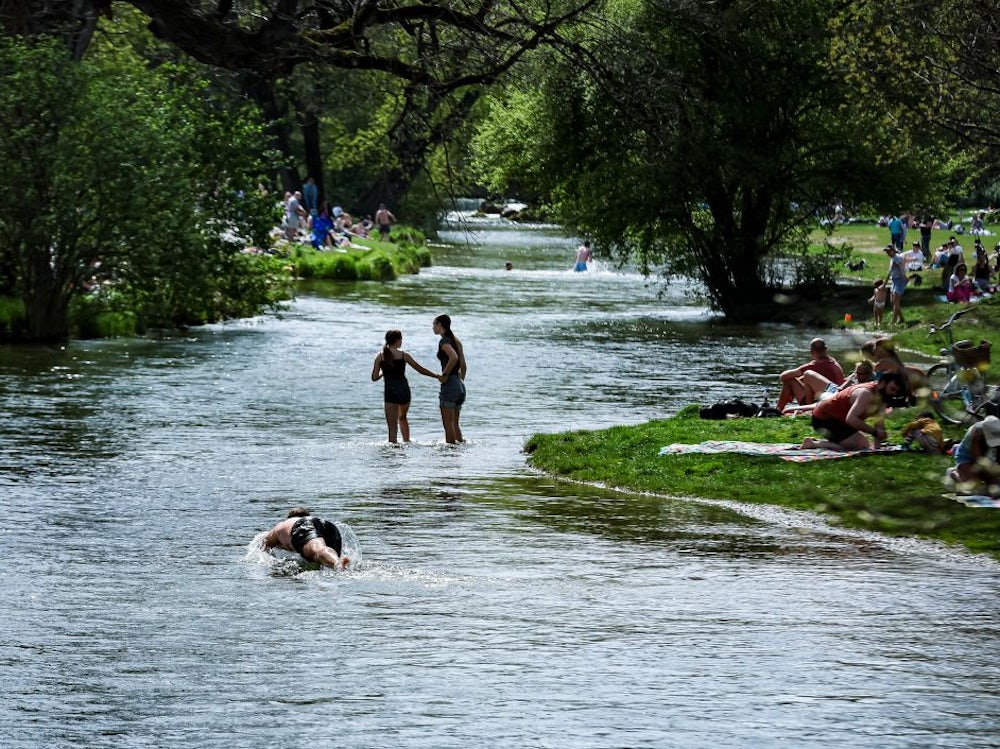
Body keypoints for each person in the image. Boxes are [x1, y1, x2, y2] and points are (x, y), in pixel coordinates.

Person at [799, 372, 907, 451]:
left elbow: (879, 424)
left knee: (863, 445)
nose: (893, 393)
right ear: (883, 383)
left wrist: (877, 447)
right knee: (857, 446)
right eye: (892, 389)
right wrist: (873, 432)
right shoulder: (866, 393)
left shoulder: (883, 397)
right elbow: (851, 419)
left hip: (841, 421)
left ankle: (831, 441)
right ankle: (813, 444)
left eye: (896, 391)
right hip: (824, 418)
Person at [371, 329, 439, 443]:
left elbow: (374, 378)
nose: (402, 341)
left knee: (392, 427)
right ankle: (406, 442)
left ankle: (392, 454)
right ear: (397, 340)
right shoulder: (404, 355)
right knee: (402, 417)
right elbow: (420, 369)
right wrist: (436, 376)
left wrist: (385, 372)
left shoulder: (380, 356)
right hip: (404, 391)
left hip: (390, 393)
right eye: (401, 339)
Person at [261, 507, 349, 570]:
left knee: (319, 551)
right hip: (329, 526)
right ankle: (339, 563)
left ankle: (337, 563)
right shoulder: (313, 522)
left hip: (304, 527)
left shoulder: (283, 525)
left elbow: (263, 544)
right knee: (332, 567)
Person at [776, 338, 845, 411]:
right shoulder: (834, 363)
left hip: (821, 401)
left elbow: (783, 377)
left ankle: (778, 410)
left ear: (811, 352)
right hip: (835, 398)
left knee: (789, 381)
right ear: (825, 349)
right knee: (802, 379)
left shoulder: (814, 366)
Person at [433, 314, 467, 444]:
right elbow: (464, 367)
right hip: (460, 385)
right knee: (455, 424)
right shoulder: (456, 341)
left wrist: (445, 375)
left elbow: (453, 357)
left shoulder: (444, 341)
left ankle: (450, 460)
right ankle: (460, 454)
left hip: (450, 385)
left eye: (434, 324)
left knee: (448, 425)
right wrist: (459, 383)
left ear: (440, 325)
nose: (433, 327)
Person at [947, 415, 1000, 495]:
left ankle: (969, 475)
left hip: (987, 457)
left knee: (994, 485)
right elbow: (978, 460)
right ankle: (954, 473)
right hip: (967, 457)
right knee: (972, 489)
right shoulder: (975, 433)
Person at [884, 244, 907, 325]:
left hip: (900, 280)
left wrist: (905, 278)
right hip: (894, 280)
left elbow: (901, 267)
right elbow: (890, 272)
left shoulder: (897, 258)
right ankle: (901, 318)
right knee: (892, 301)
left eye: (889, 251)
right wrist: (885, 283)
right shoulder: (892, 259)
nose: (887, 253)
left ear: (893, 251)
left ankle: (894, 320)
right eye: (886, 252)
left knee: (896, 301)